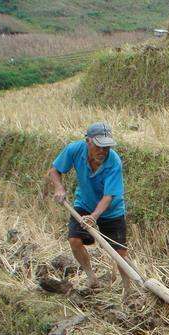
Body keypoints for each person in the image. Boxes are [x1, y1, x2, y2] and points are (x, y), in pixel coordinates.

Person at [49, 122, 132, 299]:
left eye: (106, 146)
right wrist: (59, 188)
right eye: (99, 146)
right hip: (84, 204)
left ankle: (128, 291)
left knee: (120, 254)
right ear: (88, 141)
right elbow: (55, 170)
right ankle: (91, 277)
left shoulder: (113, 162)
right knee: (74, 240)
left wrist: (94, 216)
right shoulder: (74, 150)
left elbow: (108, 196)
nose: (103, 151)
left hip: (111, 210)